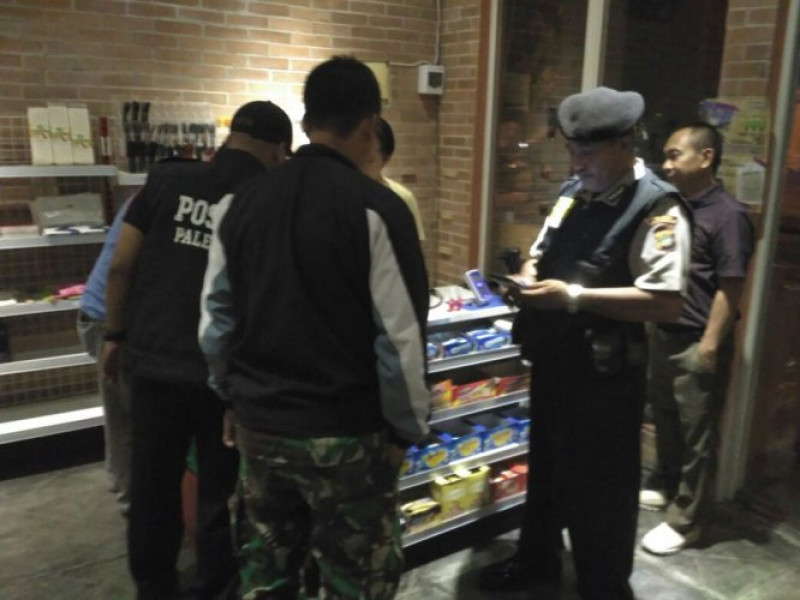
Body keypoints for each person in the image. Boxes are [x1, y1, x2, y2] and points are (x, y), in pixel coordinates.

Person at [198, 56, 430, 599]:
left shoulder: (239, 204)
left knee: (267, 576)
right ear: (370, 125)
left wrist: (230, 396)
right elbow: (399, 338)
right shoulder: (378, 210)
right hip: (346, 435)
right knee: (355, 581)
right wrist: (405, 430)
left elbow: (214, 321)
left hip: (261, 427)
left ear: (306, 122)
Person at [479, 87, 692, 600]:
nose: (576, 162)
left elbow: (666, 301)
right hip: (557, 360)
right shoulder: (574, 192)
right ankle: (537, 560)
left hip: (607, 377)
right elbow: (542, 250)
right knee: (548, 469)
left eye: (587, 152)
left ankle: (604, 585)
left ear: (624, 143)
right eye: (572, 150)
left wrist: (573, 298)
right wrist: (528, 277)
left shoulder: (657, 207)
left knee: (602, 487)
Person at [102, 100, 293, 600]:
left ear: (231, 138)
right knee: (217, 490)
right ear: (278, 151)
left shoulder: (166, 179)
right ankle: (213, 587)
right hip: (221, 374)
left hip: (154, 361)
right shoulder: (266, 197)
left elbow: (120, 265)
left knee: (153, 484)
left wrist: (115, 334)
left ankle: (154, 587)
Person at [639, 123, 755, 555]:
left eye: (675, 155)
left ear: (706, 158)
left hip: (696, 338)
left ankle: (687, 521)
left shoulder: (729, 215)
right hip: (664, 331)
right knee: (666, 418)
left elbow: (731, 286)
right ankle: (667, 485)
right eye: (666, 156)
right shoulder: (672, 207)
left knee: (697, 434)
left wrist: (709, 343)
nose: (666, 164)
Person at [77, 195, 134, 514]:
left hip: (102, 316)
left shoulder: (148, 197)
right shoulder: (153, 202)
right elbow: (120, 269)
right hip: (107, 318)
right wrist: (114, 334)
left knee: (122, 413)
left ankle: (123, 484)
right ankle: (131, 499)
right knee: (126, 415)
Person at [364, 116, 426, 240]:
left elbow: (412, 245)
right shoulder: (338, 195)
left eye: (368, 161)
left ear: (385, 160)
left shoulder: (401, 197)